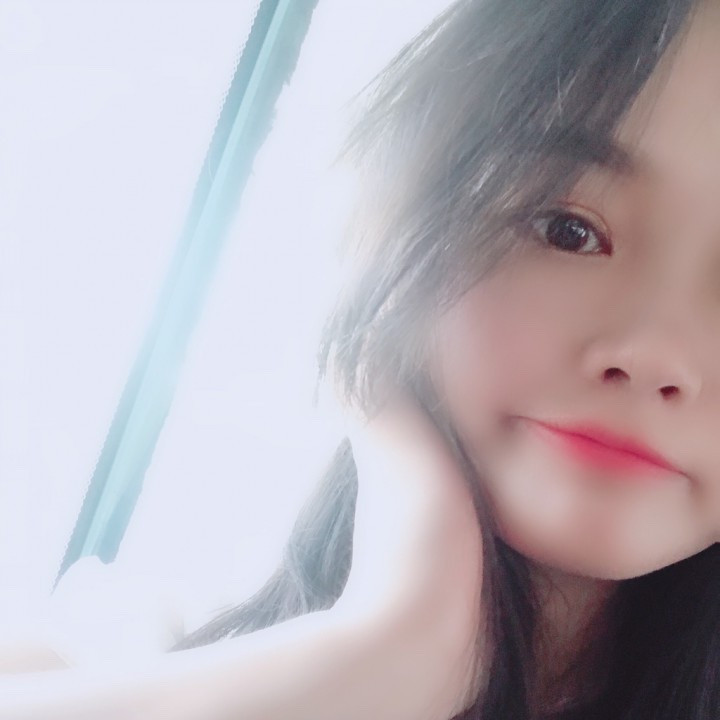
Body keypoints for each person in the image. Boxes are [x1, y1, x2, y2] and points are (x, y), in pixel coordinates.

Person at [3, 0, 720, 718]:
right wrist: (381, 657)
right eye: (567, 231)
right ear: (397, 231)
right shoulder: (121, 656)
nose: (653, 354)